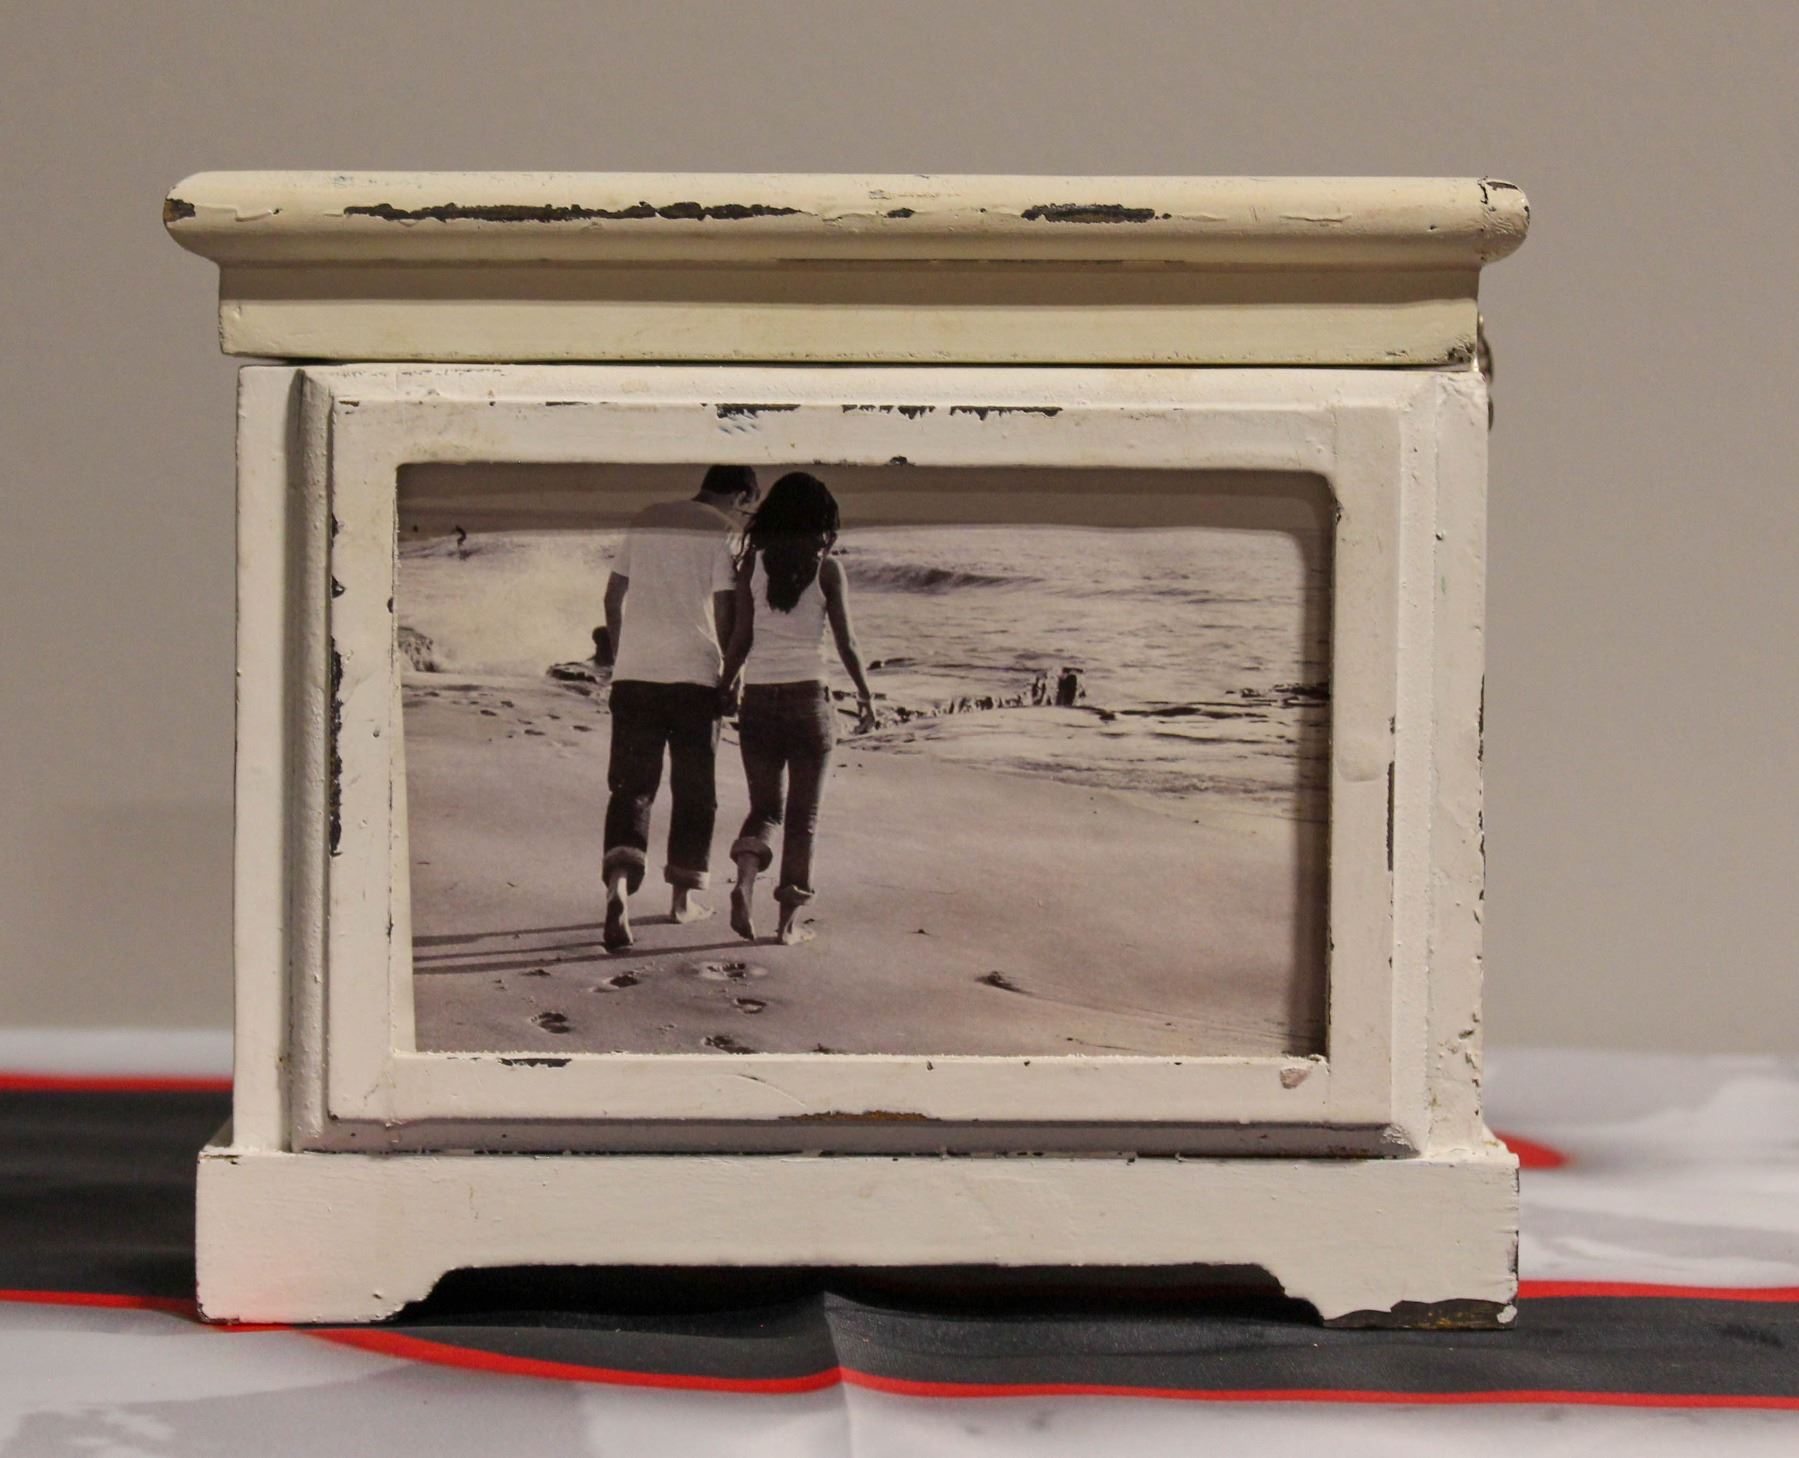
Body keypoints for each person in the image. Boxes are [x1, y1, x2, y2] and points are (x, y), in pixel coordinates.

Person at [600, 465, 760, 950]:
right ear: (741, 494)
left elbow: (612, 597)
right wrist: (733, 672)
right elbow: (725, 608)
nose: (746, 512)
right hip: (694, 678)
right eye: (749, 503)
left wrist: (623, 655)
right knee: (694, 791)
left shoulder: (647, 516)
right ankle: (681, 901)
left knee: (632, 788)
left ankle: (618, 888)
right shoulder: (723, 530)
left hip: (635, 677)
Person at [718, 472, 876, 945]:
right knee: (803, 818)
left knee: (766, 809)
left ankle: (746, 878)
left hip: (759, 699)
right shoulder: (827, 569)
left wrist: (725, 684)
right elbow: (846, 643)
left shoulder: (753, 566)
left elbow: (740, 639)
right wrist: (866, 695)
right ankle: (787, 925)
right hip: (810, 701)